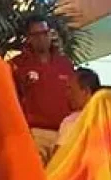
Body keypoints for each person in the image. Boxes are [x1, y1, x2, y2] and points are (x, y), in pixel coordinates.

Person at [10, 16, 77, 163]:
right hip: (35, 134)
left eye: (44, 33)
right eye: (36, 34)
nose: (41, 38)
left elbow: (74, 95)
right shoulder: (18, 65)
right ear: (29, 38)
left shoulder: (64, 64)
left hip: (64, 133)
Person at [57, 67, 101, 143]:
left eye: (70, 89)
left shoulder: (72, 122)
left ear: (86, 92)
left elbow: (60, 150)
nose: (67, 94)